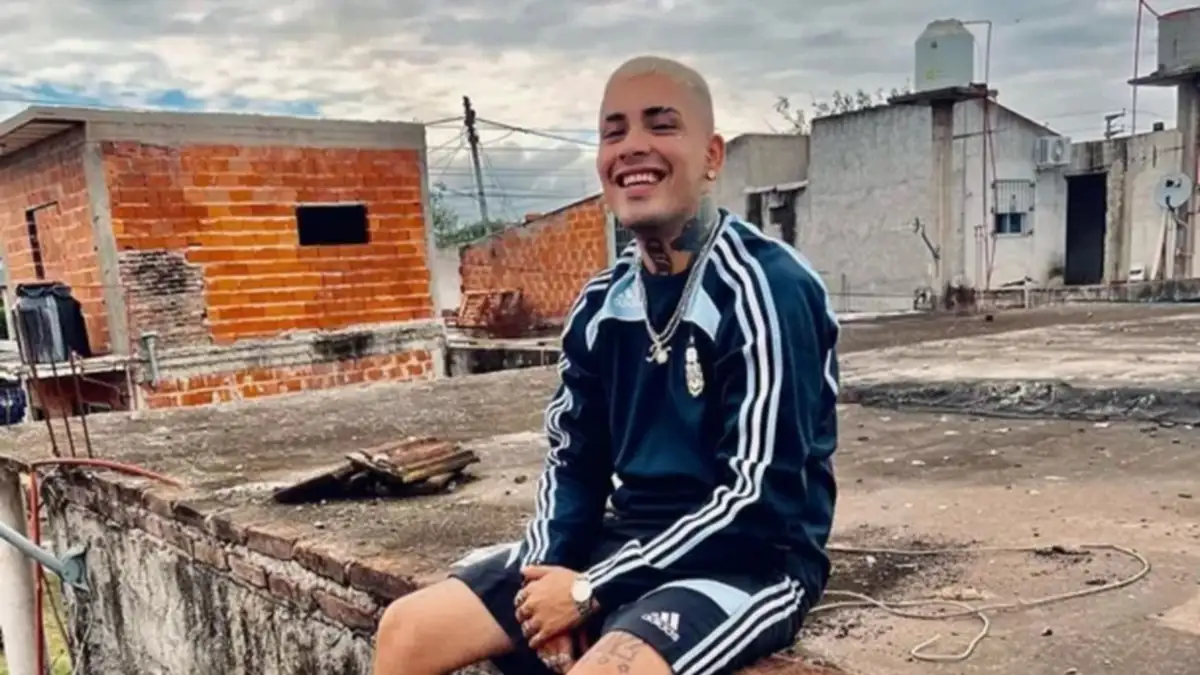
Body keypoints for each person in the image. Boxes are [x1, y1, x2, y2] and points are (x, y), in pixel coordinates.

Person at [371, 54, 840, 675]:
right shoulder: (601, 302)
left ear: (711, 156)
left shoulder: (767, 288)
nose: (633, 147)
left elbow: (758, 501)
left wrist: (592, 589)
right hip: (625, 540)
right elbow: (575, 460)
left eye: (661, 125)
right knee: (405, 631)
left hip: (750, 562)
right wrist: (548, 580)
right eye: (614, 132)